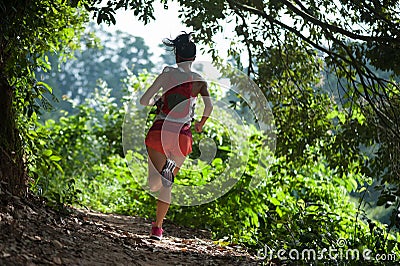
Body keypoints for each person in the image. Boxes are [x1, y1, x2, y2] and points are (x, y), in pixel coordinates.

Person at [139, 32, 213, 240]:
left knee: (153, 183)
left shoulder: (167, 74)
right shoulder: (199, 80)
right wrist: (200, 123)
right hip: (183, 137)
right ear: (194, 57)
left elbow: (144, 101)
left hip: (160, 132)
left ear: (177, 56)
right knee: (166, 183)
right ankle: (158, 228)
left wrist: (157, 101)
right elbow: (209, 107)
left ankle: (163, 172)